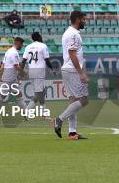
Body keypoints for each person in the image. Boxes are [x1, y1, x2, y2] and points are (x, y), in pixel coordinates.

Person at [54, 11, 89, 140]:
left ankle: (72, 133)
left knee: (73, 101)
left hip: (68, 69)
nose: (85, 21)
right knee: (83, 100)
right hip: (72, 70)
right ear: (78, 19)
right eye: (84, 19)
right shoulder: (73, 34)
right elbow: (72, 54)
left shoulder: (69, 33)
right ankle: (59, 119)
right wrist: (81, 73)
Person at [20, 32, 55, 113]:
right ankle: (43, 112)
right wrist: (52, 69)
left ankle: (27, 110)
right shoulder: (43, 46)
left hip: (31, 71)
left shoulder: (28, 47)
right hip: (39, 71)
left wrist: (21, 71)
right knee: (40, 92)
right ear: (39, 37)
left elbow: (24, 60)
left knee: (38, 92)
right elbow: (47, 60)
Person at [0, 37, 25, 113]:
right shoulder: (14, 53)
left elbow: (2, 66)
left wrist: (0, 76)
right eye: (21, 44)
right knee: (2, 95)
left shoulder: (8, 51)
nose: (22, 46)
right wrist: (24, 72)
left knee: (18, 94)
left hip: (9, 77)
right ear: (18, 43)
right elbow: (16, 66)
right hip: (9, 78)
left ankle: (25, 113)